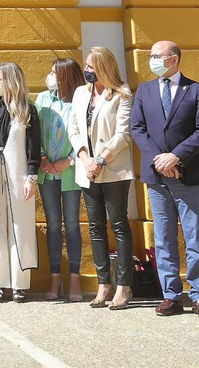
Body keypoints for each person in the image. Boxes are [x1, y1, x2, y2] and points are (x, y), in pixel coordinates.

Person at [132, 41, 199, 320]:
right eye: (151, 56)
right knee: (164, 238)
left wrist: (176, 157)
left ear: (174, 59)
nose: (153, 60)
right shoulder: (145, 90)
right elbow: (137, 128)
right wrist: (161, 160)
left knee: (194, 238)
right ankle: (171, 295)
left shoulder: (195, 90)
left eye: (158, 56)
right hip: (157, 176)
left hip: (189, 175)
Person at [70, 45, 134, 311]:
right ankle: (103, 284)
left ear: (104, 68)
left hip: (114, 169)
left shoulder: (122, 93)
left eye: (91, 67)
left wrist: (100, 160)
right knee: (95, 227)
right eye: (86, 66)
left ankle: (124, 286)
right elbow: (74, 128)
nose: (86, 70)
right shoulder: (80, 93)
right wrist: (86, 159)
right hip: (87, 170)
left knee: (119, 225)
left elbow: (123, 134)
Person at [0, 61, 42, 303]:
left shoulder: (28, 109)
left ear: (11, 81)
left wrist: (32, 177)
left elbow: (34, 146)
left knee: (20, 227)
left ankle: (19, 284)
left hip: (19, 175)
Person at [35, 57, 82, 302]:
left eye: (55, 72)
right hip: (47, 171)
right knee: (53, 225)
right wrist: (42, 157)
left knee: (72, 224)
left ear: (66, 76)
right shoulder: (43, 99)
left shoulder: (80, 99)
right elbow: (35, 133)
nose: (50, 76)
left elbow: (86, 135)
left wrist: (70, 160)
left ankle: (74, 277)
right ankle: (55, 277)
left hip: (71, 172)